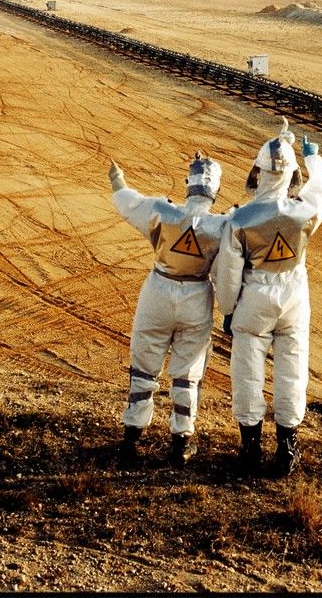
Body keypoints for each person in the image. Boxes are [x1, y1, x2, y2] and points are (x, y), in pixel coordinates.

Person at [212, 118, 322, 477]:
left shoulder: (240, 219)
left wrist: (228, 310)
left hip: (255, 299)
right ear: (292, 174)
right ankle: (287, 445)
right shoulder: (303, 211)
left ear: (258, 171)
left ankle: (250, 446)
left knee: (247, 369)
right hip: (294, 298)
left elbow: (228, 273)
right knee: (292, 366)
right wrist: (314, 159)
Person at [108, 151, 227, 467]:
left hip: (158, 291)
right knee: (188, 371)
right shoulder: (223, 225)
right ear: (215, 190)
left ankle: (132, 438)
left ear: (188, 184)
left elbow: (126, 201)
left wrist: (117, 177)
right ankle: (181, 443)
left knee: (144, 365)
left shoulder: (161, 211)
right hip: (197, 296)